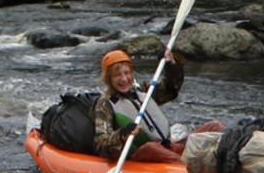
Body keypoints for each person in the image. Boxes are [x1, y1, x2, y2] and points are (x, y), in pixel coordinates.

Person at [93, 47, 223, 163]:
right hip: (140, 154)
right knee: (151, 147)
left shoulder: (143, 92)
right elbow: (101, 144)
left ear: (132, 73)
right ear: (108, 79)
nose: (123, 79)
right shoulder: (105, 104)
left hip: (167, 146)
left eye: (126, 73)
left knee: (214, 126)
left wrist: (171, 64)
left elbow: (170, 89)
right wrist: (122, 134)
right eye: (117, 75)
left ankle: (228, 157)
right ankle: (187, 170)